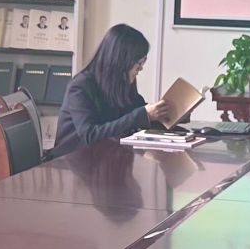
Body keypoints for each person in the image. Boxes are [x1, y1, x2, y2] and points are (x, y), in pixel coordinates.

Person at [50, 23, 176, 157]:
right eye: (139, 62)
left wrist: (169, 114)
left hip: (108, 158)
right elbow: (90, 135)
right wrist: (143, 115)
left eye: (143, 62)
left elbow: (137, 111)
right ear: (121, 61)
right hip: (73, 161)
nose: (141, 68)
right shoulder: (80, 86)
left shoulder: (121, 83)